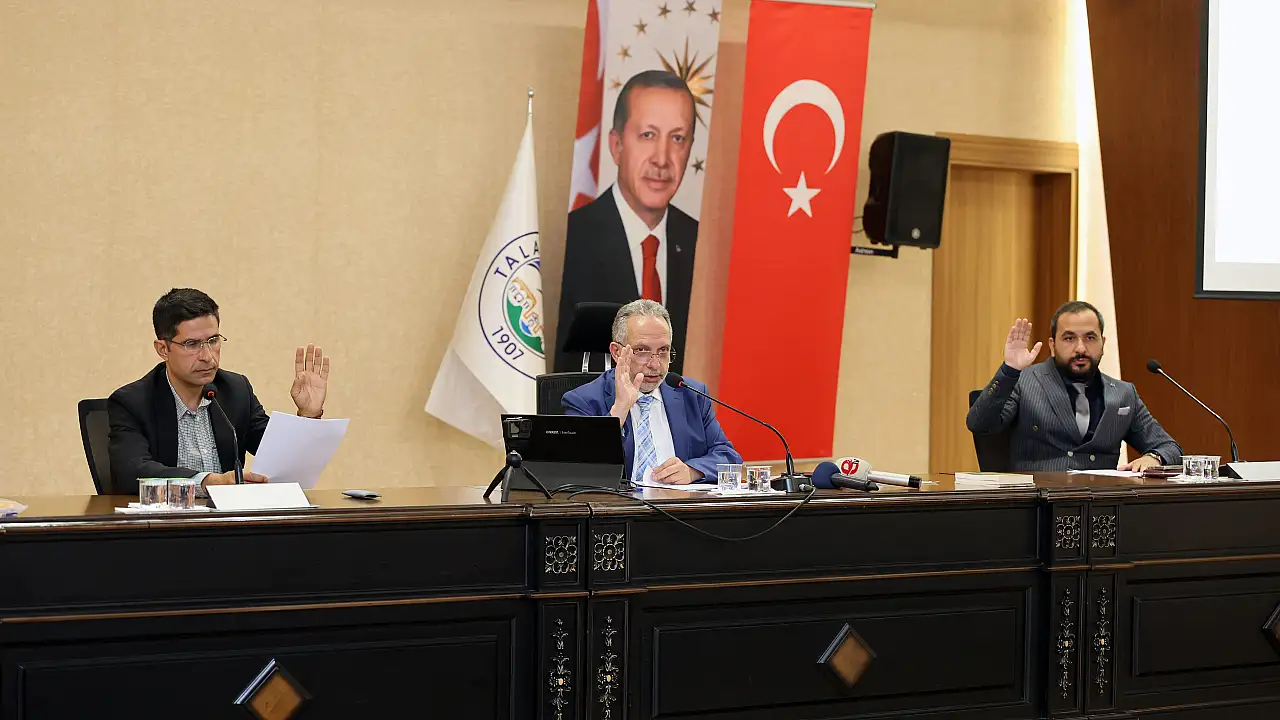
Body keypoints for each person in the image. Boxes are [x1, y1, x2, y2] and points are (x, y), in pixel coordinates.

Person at [108, 288, 331, 495]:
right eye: (192, 344)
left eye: (213, 341)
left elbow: (279, 457)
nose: (207, 356)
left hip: (229, 520)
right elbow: (132, 472)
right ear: (163, 349)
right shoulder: (132, 402)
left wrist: (308, 416)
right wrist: (208, 482)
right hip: (168, 521)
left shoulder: (235, 391)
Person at [556, 70, 698, 373]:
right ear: (616, 145)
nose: (662, 159)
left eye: (677, 138)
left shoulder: (703, 247)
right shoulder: (569, 242)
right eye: (648, 135)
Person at [967, 300, 1181, 472]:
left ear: (1103, 344)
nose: (1080, 348)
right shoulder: (1023, 381)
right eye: (1069, 338)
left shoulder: (1123, 394)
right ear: (1052, 346)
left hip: (1101, 505)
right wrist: (1009, 370)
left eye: (1090, 338)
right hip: (1039, 503)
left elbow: (1169, 447)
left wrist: (1154, 458)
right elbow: (979, 424)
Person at [562, 300, 739, 484]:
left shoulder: (692, 395)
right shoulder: (583, 401)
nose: (655, 365)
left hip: (679, 502)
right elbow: (576, 469)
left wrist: (692, 471)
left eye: (663, 351)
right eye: (642, 351)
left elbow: (728, 456)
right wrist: (620, 409)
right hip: (620, 503)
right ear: (616, 352)